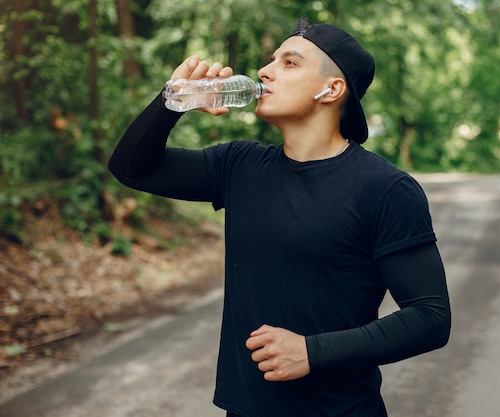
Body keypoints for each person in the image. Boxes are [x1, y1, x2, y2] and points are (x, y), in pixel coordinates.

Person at [109, 18, 451, 417]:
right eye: (271, 61)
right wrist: (173, 99)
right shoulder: (239, 166)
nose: (264, 71)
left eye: (289, 63)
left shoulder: (385, 189)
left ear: (331, 89)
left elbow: (430, 318)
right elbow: (132, 168)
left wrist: (312, 351)